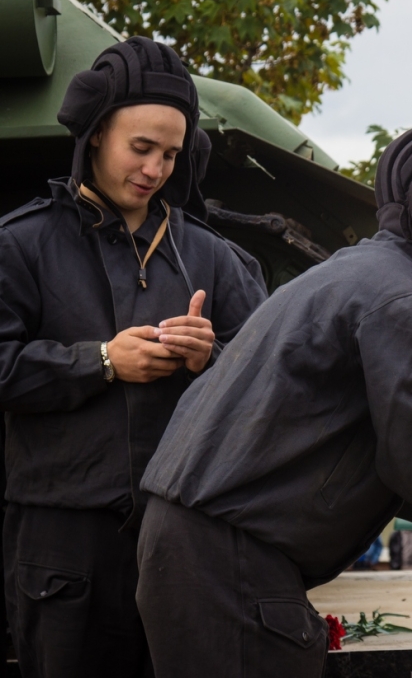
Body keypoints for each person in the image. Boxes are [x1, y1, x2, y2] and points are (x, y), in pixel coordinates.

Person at [135, 125, 412, 677]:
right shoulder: (403, 296)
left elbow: (399, 467)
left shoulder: (354, 272)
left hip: (193, 550)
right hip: (229, 562)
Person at [0, 37, 267, 677]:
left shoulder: (214, 257)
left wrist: (214, 358)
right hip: (62, 545)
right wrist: (99, 361)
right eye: (139, 147)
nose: (154, 168)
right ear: (94, 135)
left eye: (171, 154)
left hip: (186, 540)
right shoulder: (21, 244)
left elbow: (273, 376)